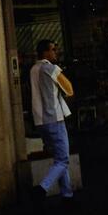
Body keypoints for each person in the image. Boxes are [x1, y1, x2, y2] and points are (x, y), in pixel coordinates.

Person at [29, 39, 74, 203]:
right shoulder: (51, 68)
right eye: (53, 49)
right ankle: (43, 187)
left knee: (59, 160)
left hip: (40, 121)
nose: (56, 52)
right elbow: (69, 89)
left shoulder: (33, 69)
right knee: (63, 160)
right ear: (45, 53)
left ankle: (67, 195)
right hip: (55, 119)